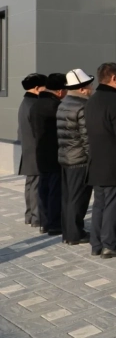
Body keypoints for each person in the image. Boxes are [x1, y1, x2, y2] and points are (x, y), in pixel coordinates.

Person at [86, 63, 116, 258]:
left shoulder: (92, 100)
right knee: (115, 205)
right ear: (114, 78)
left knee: (100, 204)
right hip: (114, 162)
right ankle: (110, 243)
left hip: (96, 161)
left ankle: (96, 244)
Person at [57, 69, 95, 245]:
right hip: (79, 159)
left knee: (68, 197)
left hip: (66, 157)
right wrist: (92, 159)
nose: (91, 88)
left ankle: (68, 232)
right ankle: (75, 234)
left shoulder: (63, 103)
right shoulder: (83, 106)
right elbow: (86, 137)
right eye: (90, 85)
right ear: (82, 89)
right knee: (78, 199)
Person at [31, 74, 67, 235]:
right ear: (59, 91)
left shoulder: (36, 105)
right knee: (55, 190)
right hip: (54, 153)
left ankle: (44, 222)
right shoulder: (55, 106)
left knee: (43, 188)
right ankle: (54, 224)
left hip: (40, 151)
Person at [18, 73, 46, 228]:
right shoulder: (35, 105)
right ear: (37, 88)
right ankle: (37, 217)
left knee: (30, 184)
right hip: (36, 149)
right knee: (36, 184)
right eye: (44, 87)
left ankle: (29, 215)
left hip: (28, 148)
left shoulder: (25, 103)